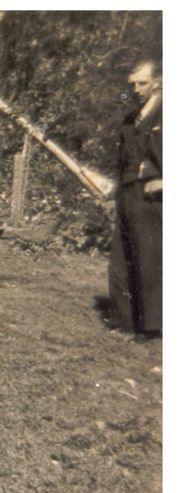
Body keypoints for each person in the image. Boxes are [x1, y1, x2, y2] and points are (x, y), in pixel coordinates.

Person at [108, 60, 162, 335]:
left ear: (157, 83)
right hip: (128, 193)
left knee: (148, 259)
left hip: (154, 198)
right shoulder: (130, 119)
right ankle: (124, 320)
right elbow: (122, 160)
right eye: (132, 85)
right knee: (121, 256)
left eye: (143, 83)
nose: (137, 89)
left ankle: (151, 326)